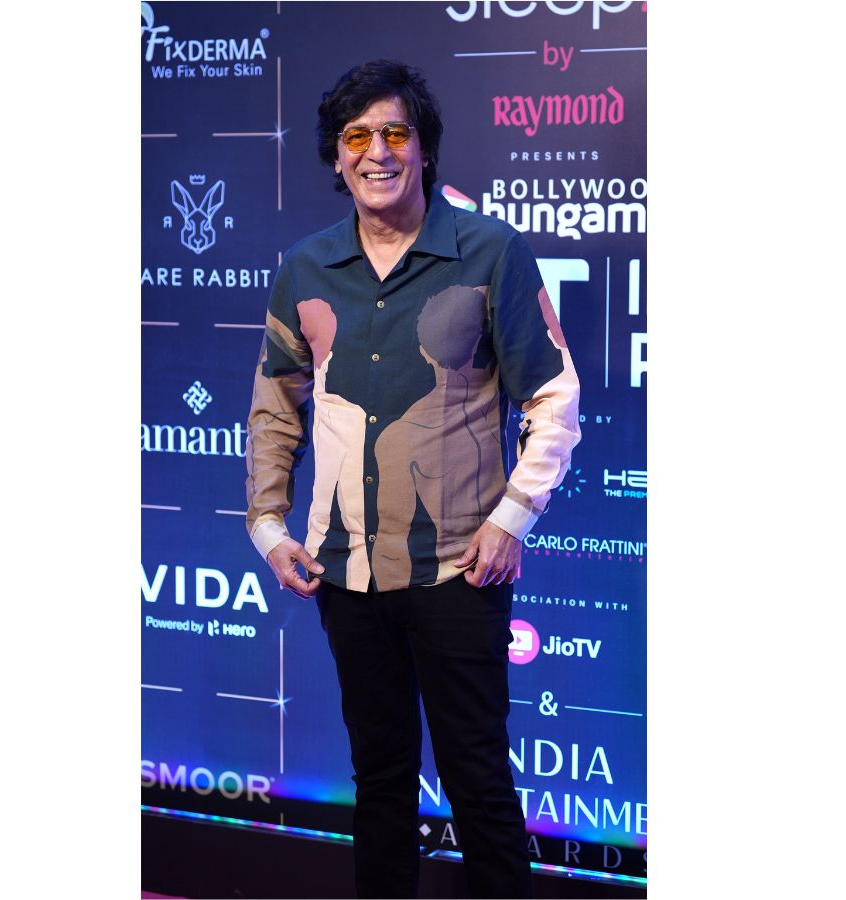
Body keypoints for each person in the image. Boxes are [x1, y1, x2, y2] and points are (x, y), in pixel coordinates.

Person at [244, 59, 581, 899]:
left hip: (460, 568)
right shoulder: (306, 267)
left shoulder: (491, 252)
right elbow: (275, 406)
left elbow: (553, 395)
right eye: (357, 137)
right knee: (381, 781)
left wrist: (513, 516)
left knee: (479, 783)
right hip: (346, 573)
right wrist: (269, 526)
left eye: (395, 133)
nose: (378, 152)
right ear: (336, 157)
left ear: (424, 147)